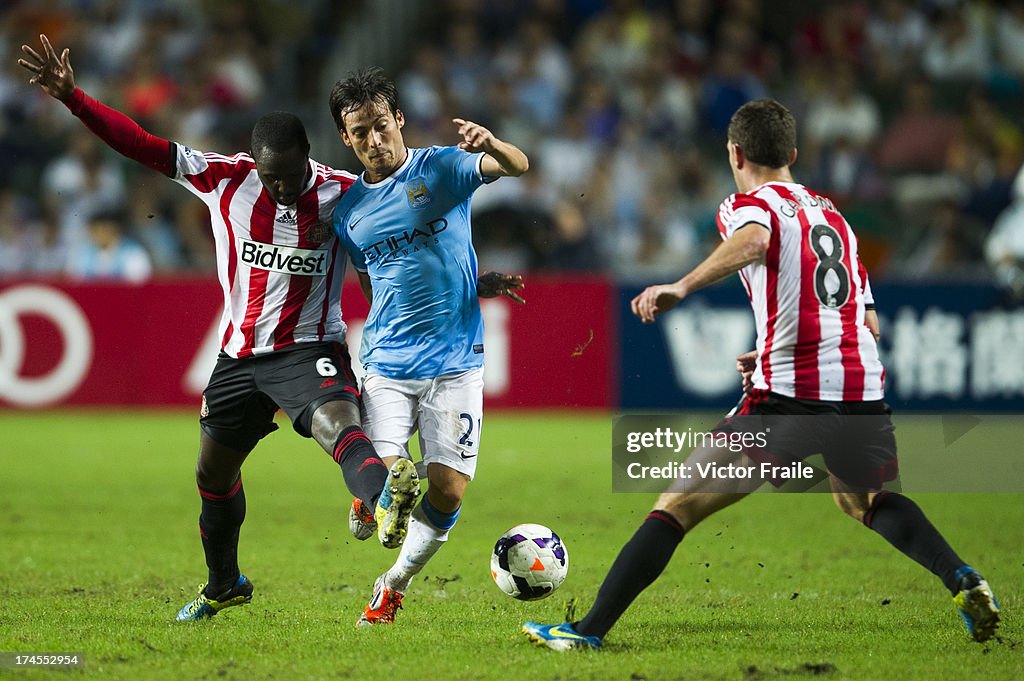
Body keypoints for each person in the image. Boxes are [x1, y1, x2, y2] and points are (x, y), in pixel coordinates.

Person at [522, 99, 1001, 650]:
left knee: (677, 504)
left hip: (792, 394)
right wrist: (775, 345)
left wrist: (682, 286)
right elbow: (863, 316)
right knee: (862, 500)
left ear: (735, 153)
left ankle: (584, 632)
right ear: (794, 154)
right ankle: (962, 577)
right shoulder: (834, 217)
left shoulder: (749, 204)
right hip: (860, 385)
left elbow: (755, 239)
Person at [18, 34, 424, 622]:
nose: (283, 190)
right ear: (256, 163)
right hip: (238, 358)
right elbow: (142, 145)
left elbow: (404, 237)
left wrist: (468, 278)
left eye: (290, 176)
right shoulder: (224, 179)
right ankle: (224, 583)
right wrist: (74, 99)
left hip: (308, 349)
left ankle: (383, 497)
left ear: (310, 154)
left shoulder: (343, 193)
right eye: (272, 177)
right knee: (212, 473)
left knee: (339, 422)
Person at [327, 67, 529, 626]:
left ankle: (393, 583)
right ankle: (374, 494)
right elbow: (375, 280)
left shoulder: (441, 168)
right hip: (388, 365)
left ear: (400, 121)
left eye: (382, 126)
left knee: (449, 488)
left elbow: (517, 166)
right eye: (361, 131)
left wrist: (493, 145)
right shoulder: (348, 212)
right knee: (393, 476)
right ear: (346, 138)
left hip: (457, 363)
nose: (374, 141)